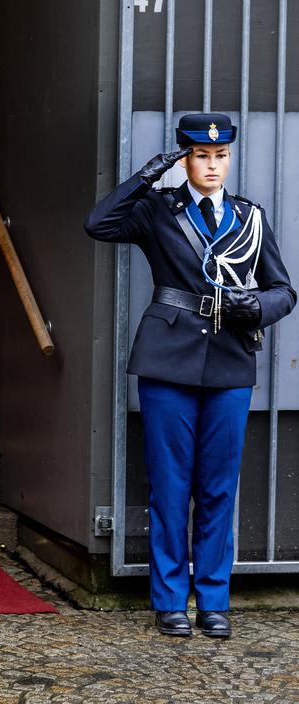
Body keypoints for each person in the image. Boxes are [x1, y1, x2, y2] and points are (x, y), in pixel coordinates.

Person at [85, 113, 295, 638]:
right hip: (167, 359)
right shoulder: (159, 210)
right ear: (186, 157)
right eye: (201, 156)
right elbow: (98, 224)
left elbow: (283, 290)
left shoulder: (250, 217)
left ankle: (215, 602)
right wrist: (151, 174)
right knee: (171, 486)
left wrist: (257, 308)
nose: (213, 166)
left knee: (219, 486)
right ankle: (170, 601)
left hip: (229, 362)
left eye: (221, 157)